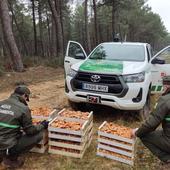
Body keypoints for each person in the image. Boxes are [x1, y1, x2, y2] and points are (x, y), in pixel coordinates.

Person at [0, 85, 49, 169]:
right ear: (24, 96)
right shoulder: (23, 108)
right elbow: (30, 131)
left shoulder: (1, 103)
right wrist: (42, 125)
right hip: (6, 145)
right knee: (38, 135)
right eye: (27, 98)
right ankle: (10, 159)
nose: (26, 100)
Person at [132, 76, 170, 169]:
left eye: (163, 85)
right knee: (161, 131)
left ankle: (167, 159)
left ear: (167, 86)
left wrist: (137, 132)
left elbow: (151, 124)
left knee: (144, 135)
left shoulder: (166, 100)